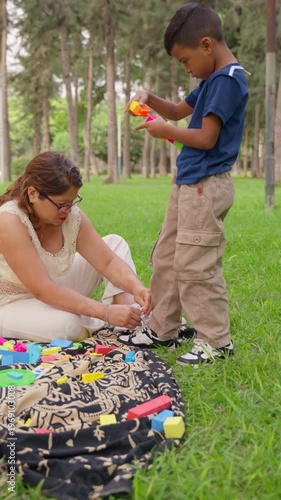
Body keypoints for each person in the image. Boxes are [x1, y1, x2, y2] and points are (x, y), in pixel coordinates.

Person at [118, 2, 248, 367]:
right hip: (188, 185)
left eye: (185, 61)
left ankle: (216, 341)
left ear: (207, 45)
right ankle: (162, 328)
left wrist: (164, 131)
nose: (188, 70)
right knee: (166, 257)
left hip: (206, 188)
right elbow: (176, 111)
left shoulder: (228, 81)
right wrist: (149, 99)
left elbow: (206, 138)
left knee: (194, 265)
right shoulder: (210, 79)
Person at [0, 151, 152, 343]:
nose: (68, 210)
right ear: (33, 193)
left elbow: (108, 262)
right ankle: (113, 317)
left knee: (114, 243)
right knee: (69, 326)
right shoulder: (10, 220)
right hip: (12, 303)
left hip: (53, 287)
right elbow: (42, 289)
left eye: (73, 202)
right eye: (62, 204)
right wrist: (104, 312)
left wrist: (137, 287)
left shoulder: (71, 217)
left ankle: (133, 317)